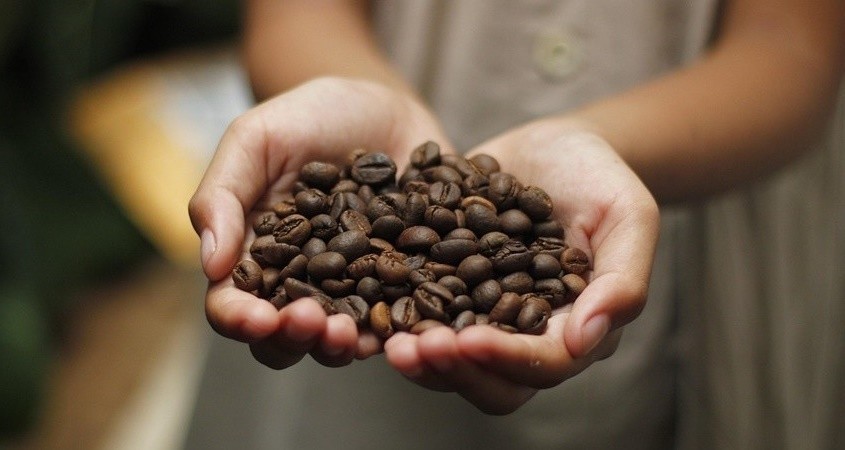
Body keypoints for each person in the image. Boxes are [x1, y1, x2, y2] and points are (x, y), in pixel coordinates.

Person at [186, 1, 844, 448]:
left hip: (705, 233)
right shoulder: (360, 237)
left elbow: (791, 47)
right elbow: (298, 14)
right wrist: (347, 95)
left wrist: (594, 139)